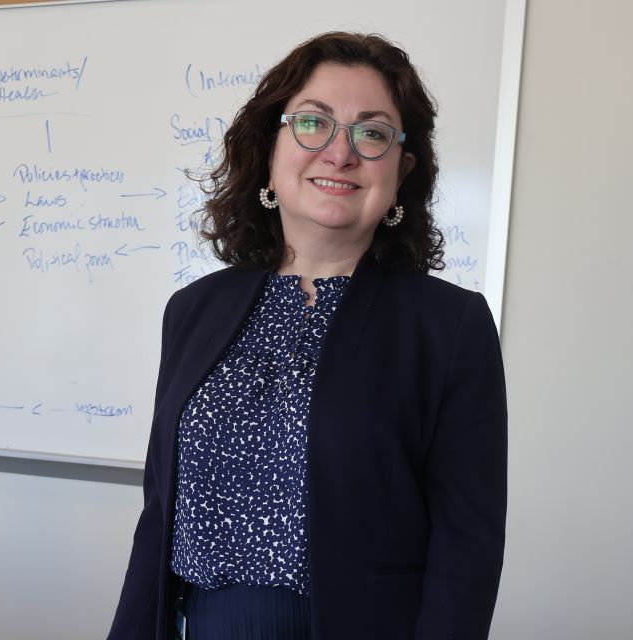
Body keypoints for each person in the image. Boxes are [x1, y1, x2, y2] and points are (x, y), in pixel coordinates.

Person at [108, 32, 507, 640]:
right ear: (270, 148)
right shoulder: (192, 310)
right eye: (313, 123)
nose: (339, 153)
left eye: (371, 133)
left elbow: (468, 546)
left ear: (401, 171)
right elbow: (159, 514)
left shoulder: (449, 327)